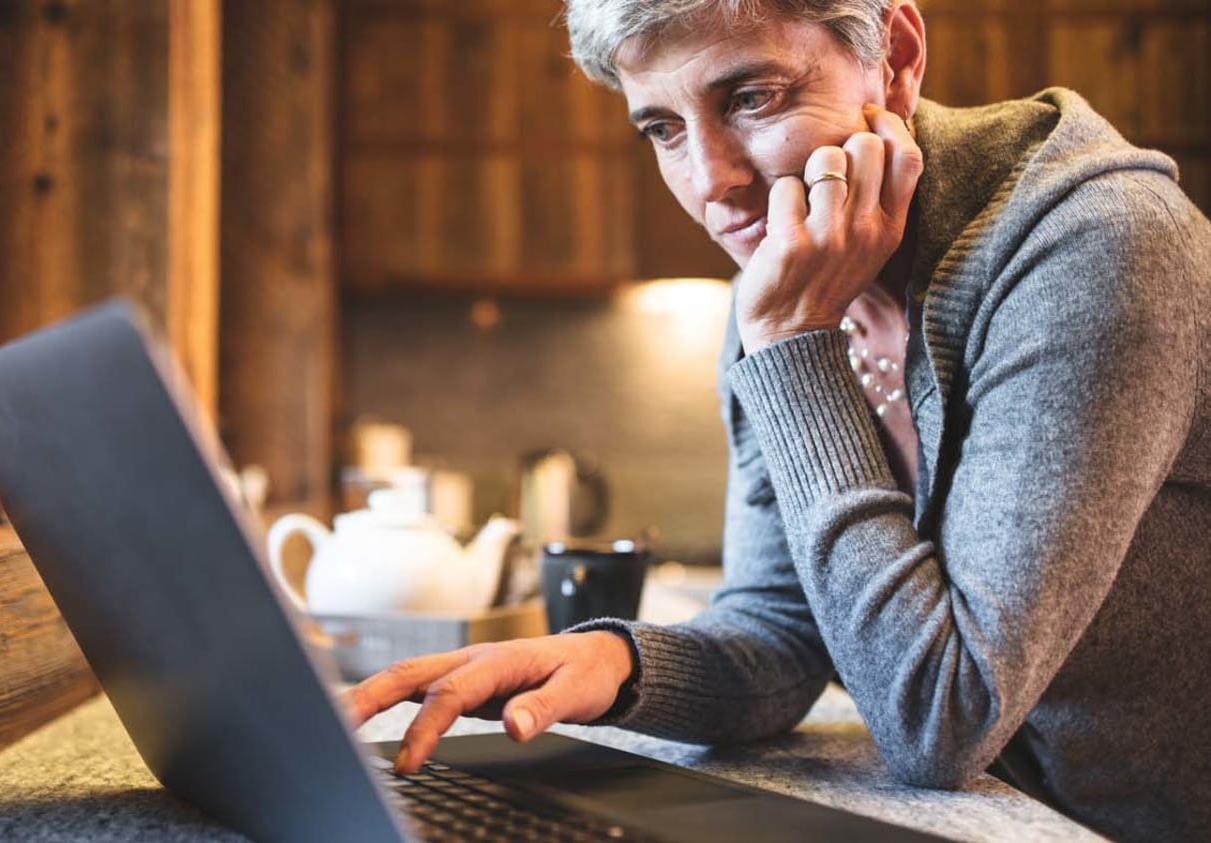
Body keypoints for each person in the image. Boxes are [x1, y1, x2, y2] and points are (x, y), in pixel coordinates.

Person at [346, 1, 1211, 840]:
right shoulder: (783, 274)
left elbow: (943, 718)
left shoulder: (1094, 248)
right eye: (661, 128)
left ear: (897, 57)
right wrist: (615, 664)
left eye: (751, 97)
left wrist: (790, 347)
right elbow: (780, 624)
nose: (709, 179)